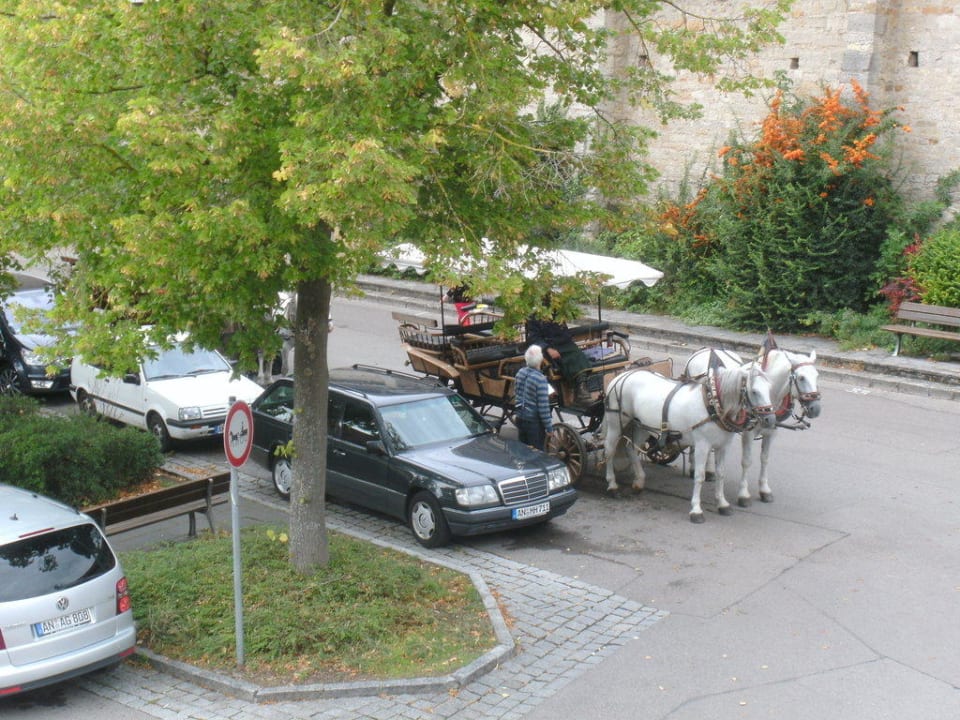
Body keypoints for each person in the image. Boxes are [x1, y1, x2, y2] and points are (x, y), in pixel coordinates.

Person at [525, 313, 594, 407]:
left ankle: (581, 392)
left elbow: (564, 331)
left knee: (579, 356)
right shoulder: (534, 315)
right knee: (564, 360)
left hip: (564, 344)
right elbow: (534, 338)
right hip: (548, 346)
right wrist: (548, 349)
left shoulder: (558, 310)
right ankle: (580, 393)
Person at [513, 344, 554, 450]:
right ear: (540, 360)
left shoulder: (520, 373)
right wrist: (549, 428)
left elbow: (516, 392)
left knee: (523, 449)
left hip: (520, 418)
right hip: (533, 422)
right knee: (537, 451)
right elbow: (543, 407)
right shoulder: (540, 379)